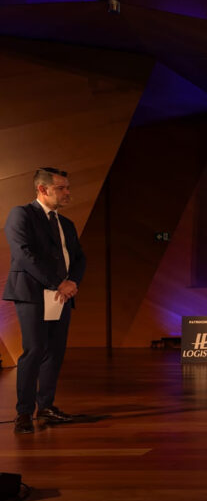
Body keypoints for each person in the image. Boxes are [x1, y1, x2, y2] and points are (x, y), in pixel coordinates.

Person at [4, 168, 87, 434]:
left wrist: (72, 282)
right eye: (62, 188)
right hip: (32, 293)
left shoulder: (67, 224)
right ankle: (24, 412)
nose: (67, 193)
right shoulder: (21, 214)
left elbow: (79, 258)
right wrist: (57, 282)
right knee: (34, 350)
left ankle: (47, 407)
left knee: (55, 351)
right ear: (43, 189)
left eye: (67, 188)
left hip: (62, 295)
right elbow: (24, 254)